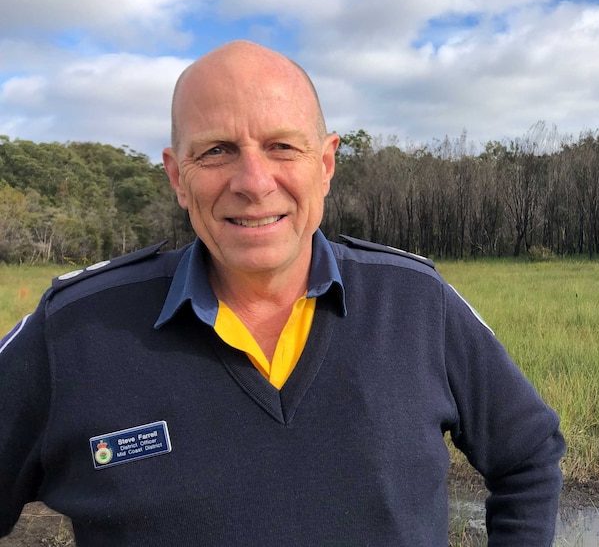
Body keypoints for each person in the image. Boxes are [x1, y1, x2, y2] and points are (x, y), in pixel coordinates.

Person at [0, 41, 565, 546]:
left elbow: (529, 454)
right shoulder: (73, 329)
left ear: (324, 164)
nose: (253, 181)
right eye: (217, 150)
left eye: (282, 147)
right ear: (177, 177)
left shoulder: (416, 301)